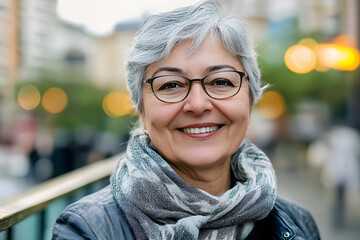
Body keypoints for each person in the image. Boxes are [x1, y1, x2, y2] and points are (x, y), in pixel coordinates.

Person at [52, 0, 320, 239]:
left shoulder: (299, 224)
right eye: (170, 85)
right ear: (142, 110)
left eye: (220, 81)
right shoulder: (87, 230)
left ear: (249, 101)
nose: (198, 104)